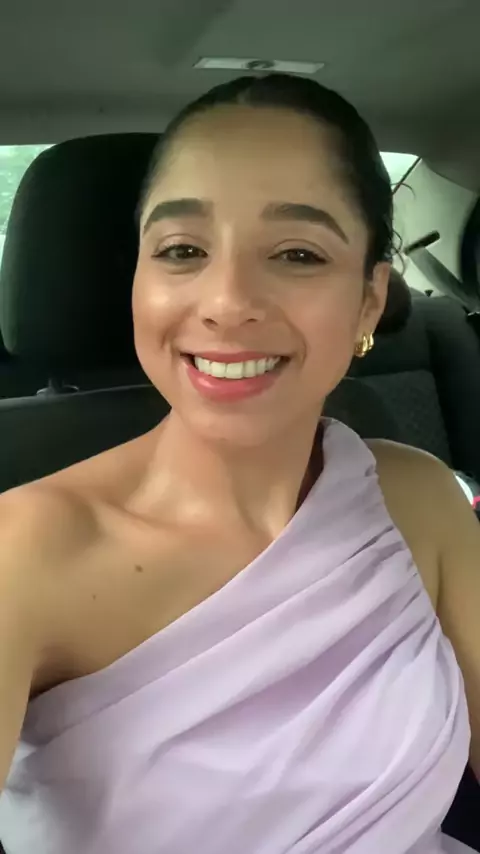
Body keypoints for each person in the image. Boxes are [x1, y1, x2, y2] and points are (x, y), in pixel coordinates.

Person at [0, 73, 478, 854]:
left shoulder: (418, 498)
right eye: (182, 250)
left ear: (368, 301)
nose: (226, 301)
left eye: (297, 253)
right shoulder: (21, 552)